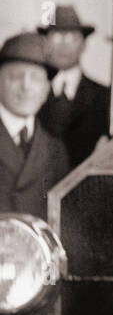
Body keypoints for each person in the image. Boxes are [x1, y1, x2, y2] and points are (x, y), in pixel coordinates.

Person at [0, 31, 69, 216]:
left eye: (36, 78)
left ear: (46, 90)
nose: (26, 86)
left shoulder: (56, 151)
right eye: (16, 76)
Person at [38, 5, 109, 168]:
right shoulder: (29, 94)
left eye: (72, 38)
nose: (64, 45)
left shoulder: (105, 96)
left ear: (84, 44)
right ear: (45, 43)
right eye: (56, 37)